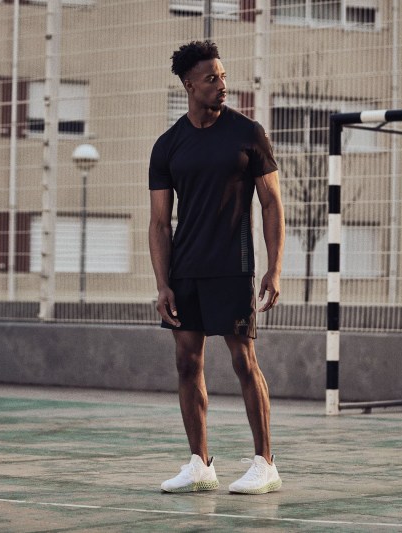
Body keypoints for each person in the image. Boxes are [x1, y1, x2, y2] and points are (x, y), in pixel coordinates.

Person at [148, 41, 285, 495]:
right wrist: (163, 283)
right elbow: (159, 222)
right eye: (211, 78)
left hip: (233, 267)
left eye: (223, 76)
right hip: (186, 271)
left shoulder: (248, 134)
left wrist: (274, 269)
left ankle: (265, 463)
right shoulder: (168, 145)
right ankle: (200, 464)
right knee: (187, 363)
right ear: (189, 85)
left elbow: (271, 204)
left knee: (244, 361)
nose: (222, 84)